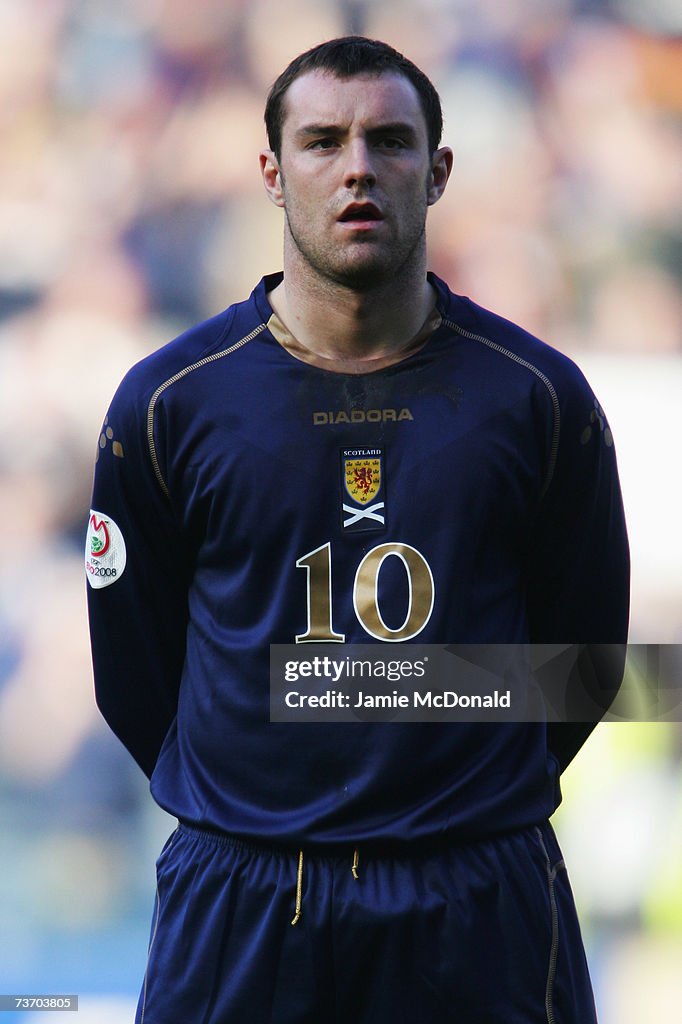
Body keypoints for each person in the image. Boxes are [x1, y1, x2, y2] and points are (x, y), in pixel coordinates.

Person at [86, 36, 630, 1024]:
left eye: (388, 140)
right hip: (243, 893)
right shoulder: (168, 403)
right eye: (321, 140)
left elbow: (585, 663)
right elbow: (134, 677)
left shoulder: (539, 398)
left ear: (438, 170)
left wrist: (432, 769)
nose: (356, 168)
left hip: (477, 892)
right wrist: (260, 794)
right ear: (270, 171)